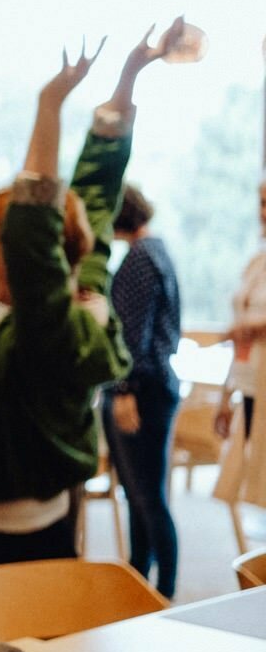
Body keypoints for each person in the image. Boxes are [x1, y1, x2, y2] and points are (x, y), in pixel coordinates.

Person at [0, 26, 179, 570]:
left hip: (3, 534)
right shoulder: (87, 298)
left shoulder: (49, 325)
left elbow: (35, 229)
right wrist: (126, 82)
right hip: (48, 515)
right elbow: (96, 196)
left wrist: (48, 106)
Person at [101, 185, 183, 598]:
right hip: (159, 385)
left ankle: (163, 592)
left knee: (147, 498)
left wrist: (122, 390)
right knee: (142, 496)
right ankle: (140, 582)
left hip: (141, 390)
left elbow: (131, 335)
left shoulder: (137, 258)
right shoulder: (159, 251)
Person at [216, 173, 266, 448]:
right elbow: (239, 334)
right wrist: (226, 394)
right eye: (262, 203)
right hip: (248, 381)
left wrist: (253, 328)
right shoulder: (256, 263)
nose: (263, 212)